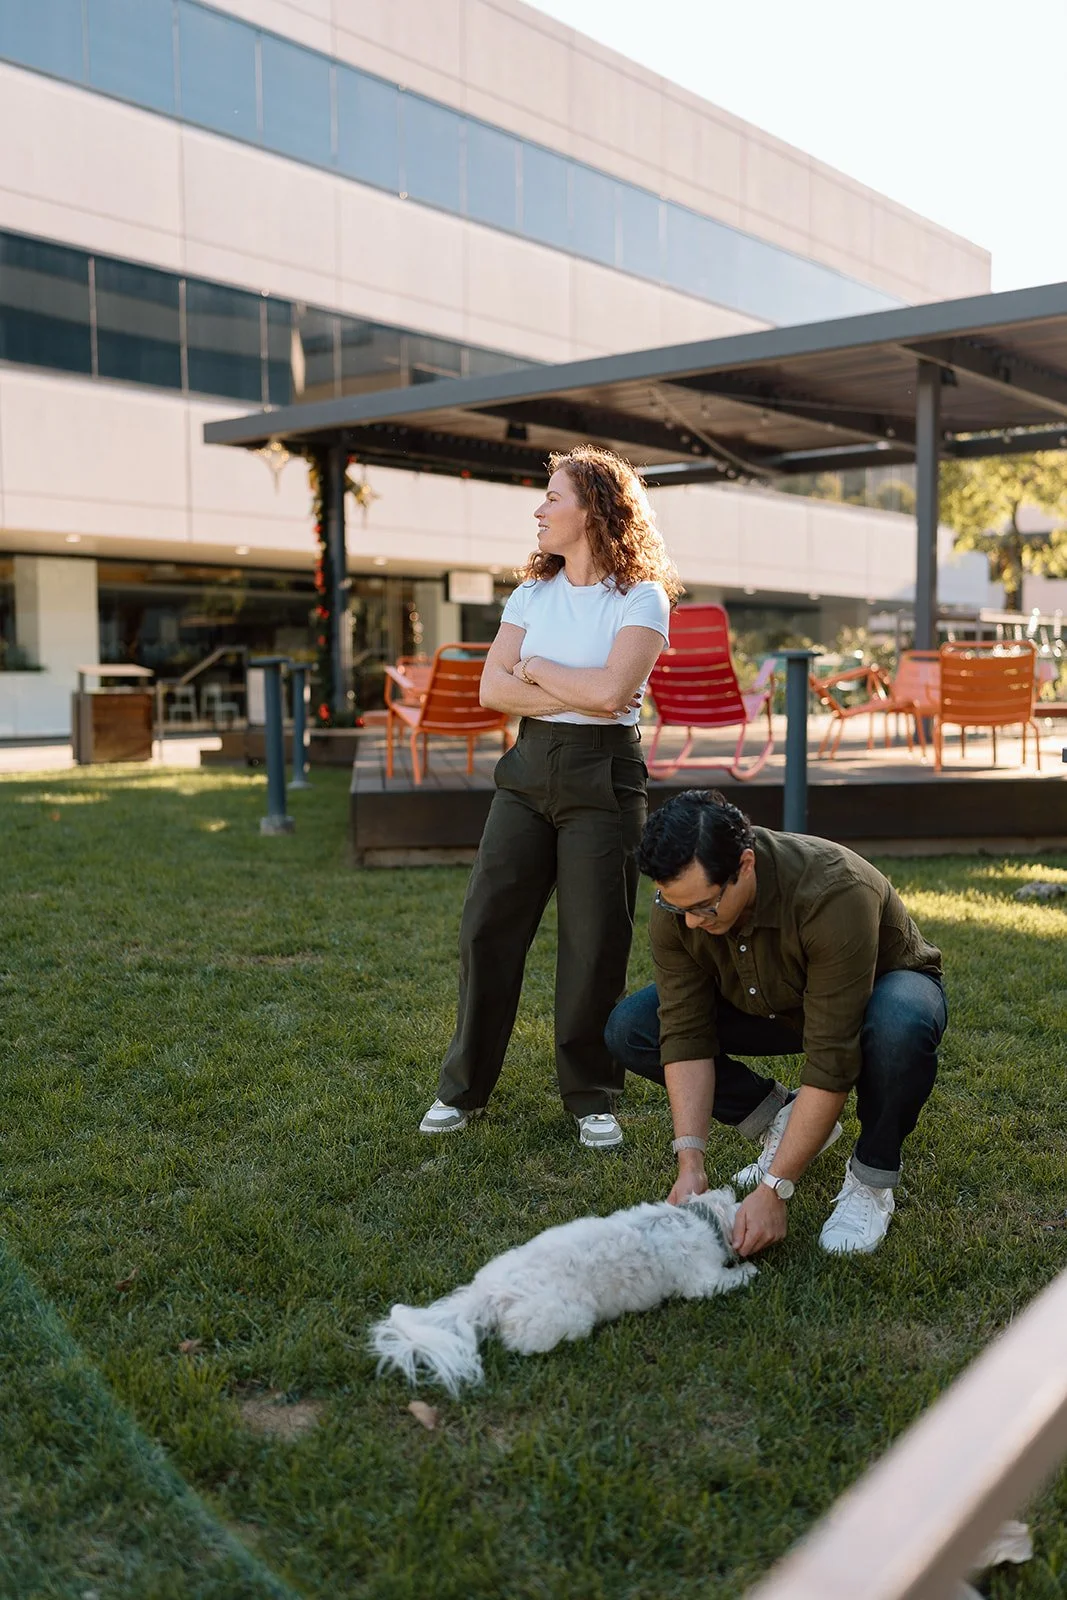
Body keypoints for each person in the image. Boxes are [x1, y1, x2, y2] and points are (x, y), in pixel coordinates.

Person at [419, 445, 680, 1149]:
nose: (539, 509)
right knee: (486, 926)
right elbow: (490, 690)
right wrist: (563, 682)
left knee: (594, 940)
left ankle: (591, 1093)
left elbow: (610, 694)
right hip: (527, 772)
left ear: (593, 509)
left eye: (552, 496)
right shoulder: (529, 594)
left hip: (604, 780)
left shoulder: (642, 598)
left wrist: (532, 665)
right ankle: (462, 1088)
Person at [605, 789, 947, 1253]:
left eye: (704, 907)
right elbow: (684, 1031)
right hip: (770, 1001)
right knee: (633, 1027)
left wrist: (774, 1189)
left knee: (898, 1029)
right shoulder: (680, 907)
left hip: (879, 993)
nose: (690, 922)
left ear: (745, 865)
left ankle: (870, 1179)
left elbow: (831, 1059)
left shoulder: (834, 891)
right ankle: (785, 1118)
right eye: (677, 907)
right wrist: (691, 1163)